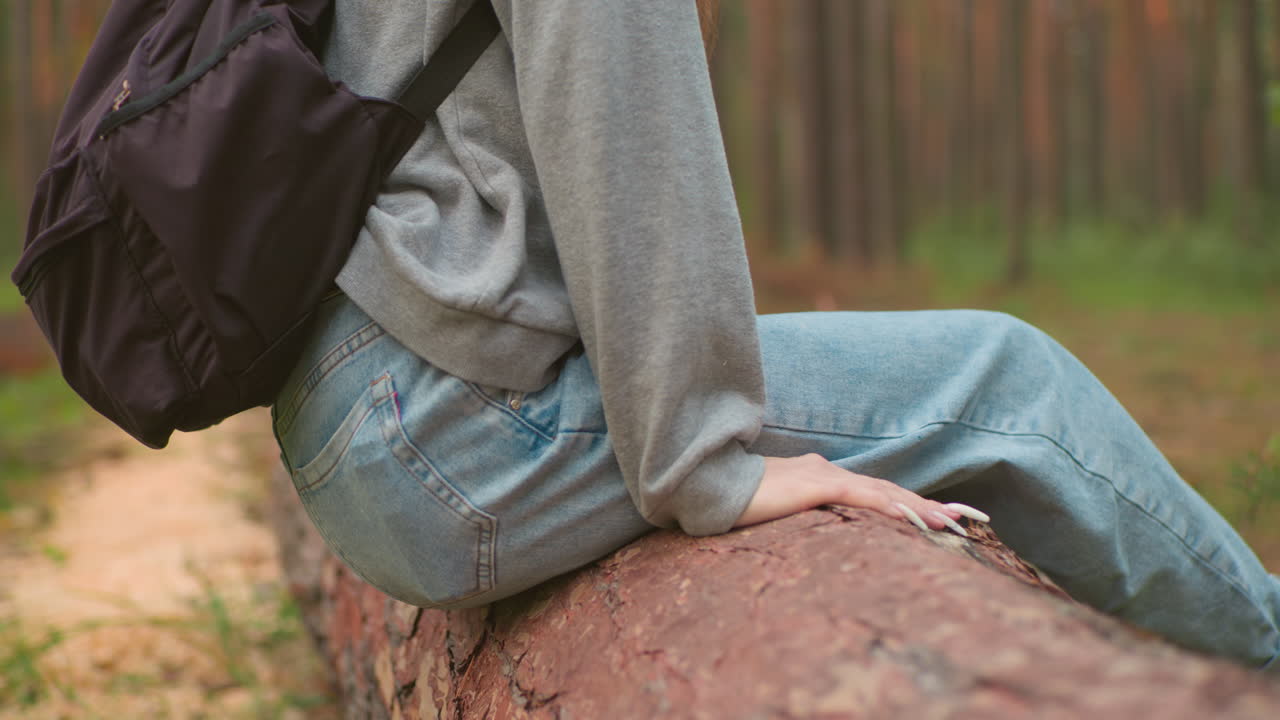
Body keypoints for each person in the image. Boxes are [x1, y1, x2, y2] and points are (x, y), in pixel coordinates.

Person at [271, 0, 1280, 671]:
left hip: (346, 424)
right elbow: (625, 146)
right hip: (454, 433)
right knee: (1004, 382)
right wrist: (705, 461)